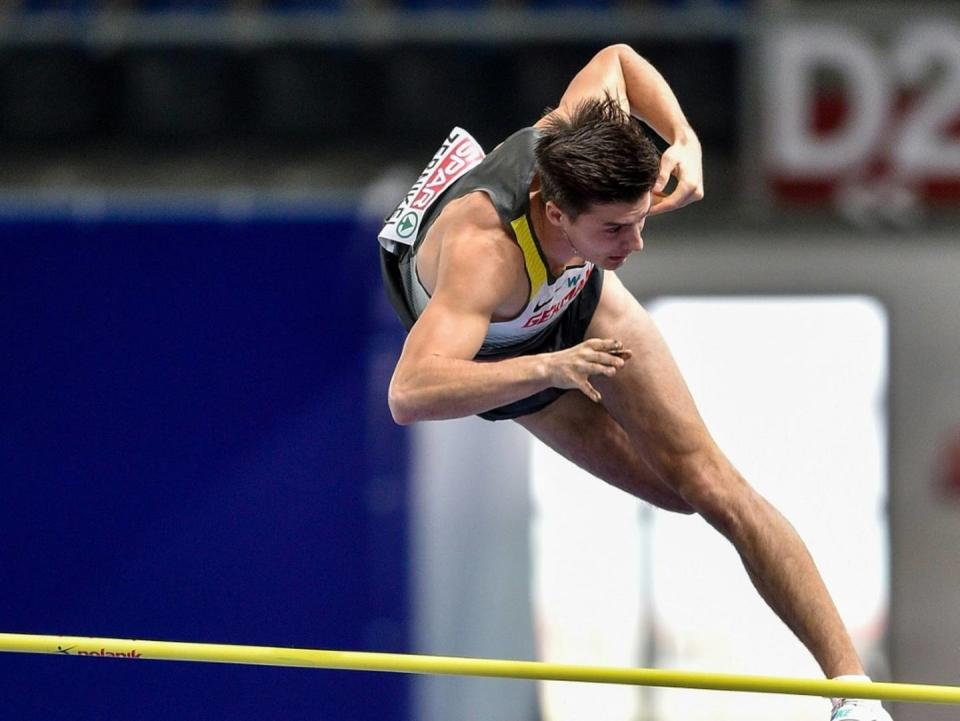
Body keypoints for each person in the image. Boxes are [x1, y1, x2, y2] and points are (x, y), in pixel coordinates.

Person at [378, 43, 892, 721]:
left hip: (581, 298)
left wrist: (684, 138)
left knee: (709, 487)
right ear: (555, 213)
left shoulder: (577, 126)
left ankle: (853, 695)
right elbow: (409, 393)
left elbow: (617, 58)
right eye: (618, 227)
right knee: (668, 491)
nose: (638, 242)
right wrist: (547, 369)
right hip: (514, 360)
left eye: (641, 218)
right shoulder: (484, 256)